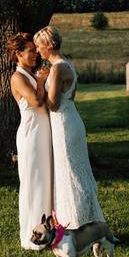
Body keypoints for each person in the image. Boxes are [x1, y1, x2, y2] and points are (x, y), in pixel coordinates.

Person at [34, 25, 106, 230]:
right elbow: (70, 97)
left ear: (48, 45)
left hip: (63, 125)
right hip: (71, 119)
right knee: (74, 172)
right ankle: (88, 221)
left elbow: (53, 104)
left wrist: (41, 83)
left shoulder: (57, 68)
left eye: (39, 46)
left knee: (70, 173)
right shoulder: (68, 63)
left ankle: (76, 223)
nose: (38, 51)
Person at [8, 31, 53, 250]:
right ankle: (33, 235)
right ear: (18, 54)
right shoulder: (17, 77)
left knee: (45, 181)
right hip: (31, 134)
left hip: (43, 133)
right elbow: (35, 100)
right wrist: (42, 80)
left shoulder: (33, 74)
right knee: (34, 182)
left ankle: (48, 230)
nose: (35, 54)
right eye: (31, 51)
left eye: (36, 51)